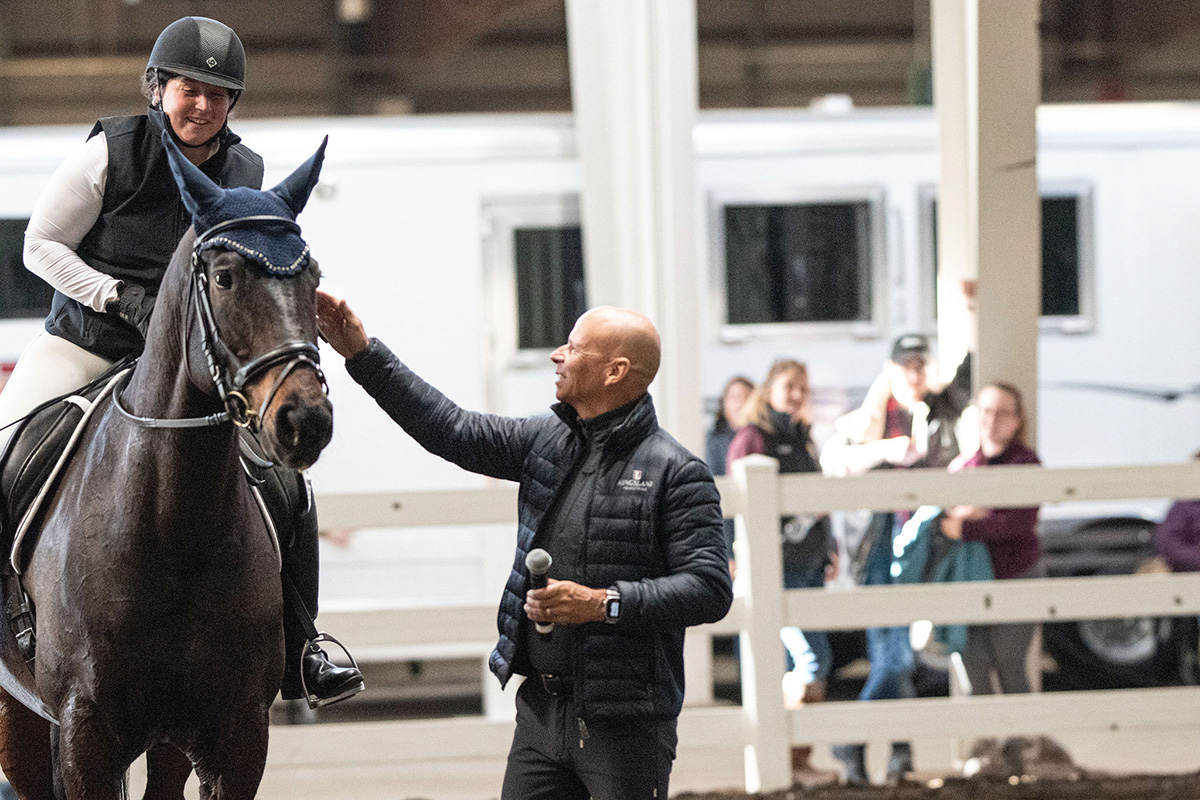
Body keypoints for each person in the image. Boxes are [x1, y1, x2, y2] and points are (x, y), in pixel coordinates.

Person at [0, 16, 361, 707]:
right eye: (188, 89)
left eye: (218, 94)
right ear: (158, 88)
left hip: (184, 371)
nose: (201, 105)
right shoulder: (112, 152)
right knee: (7, 451)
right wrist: (115, 297)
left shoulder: (245, 172)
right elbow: (40, 246)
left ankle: (302, 645)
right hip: (85, 347)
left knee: (287, 489)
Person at [315, 293, 733, 800]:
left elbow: (710, 588)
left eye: (574, 349)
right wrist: (361, 354)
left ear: (615, 371)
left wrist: (603, 604)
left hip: (625, 724)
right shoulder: (546, 439)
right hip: (540, 713)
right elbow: (452, 429)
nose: (558, 355)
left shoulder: (677, 472)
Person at [819, 331, 973, 784]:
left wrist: (971, 307)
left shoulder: (944, 408)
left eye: (921, 364)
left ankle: (891, 754)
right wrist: (884, 450)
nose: (914, 373)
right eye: (906, 365)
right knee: (895, 658)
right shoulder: (868, 420)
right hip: (880, 547)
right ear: (890, 370)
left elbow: (971, 368)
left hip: (926, 546)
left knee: (900, 654)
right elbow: (832, 462)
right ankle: (860, 743)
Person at [726, 359, 838, 788]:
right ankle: (790, 757)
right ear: (769, 388)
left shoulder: (802, 437)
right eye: (789, 385)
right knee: (814, 658)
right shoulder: (753, 438)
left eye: (802, 387)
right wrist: (732, 555)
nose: (796, 394)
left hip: (808, 566)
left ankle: (797, 760)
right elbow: (733, 508)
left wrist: (831, 547)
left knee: (803, 660)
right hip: (777, 570)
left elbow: (816, 501)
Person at [940, 382, 1042, 774]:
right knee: (973, 658)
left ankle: (1021, 750)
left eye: (1002, 413)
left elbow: (1018, 522)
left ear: (1017, 420)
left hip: (1017, 575)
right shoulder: (965, 465)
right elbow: (945, 516)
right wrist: (978, 515)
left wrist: (969, 524)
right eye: (986, 411)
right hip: (973, 578)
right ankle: (987, 750)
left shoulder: (1026, 464)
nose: (992, 421)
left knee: (1010, 661)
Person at [705, 375, 753, 477]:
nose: (740, 403)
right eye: (735, 397)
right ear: (724, 403)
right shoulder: (714, 439)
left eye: (746, 397)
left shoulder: (763, 436)